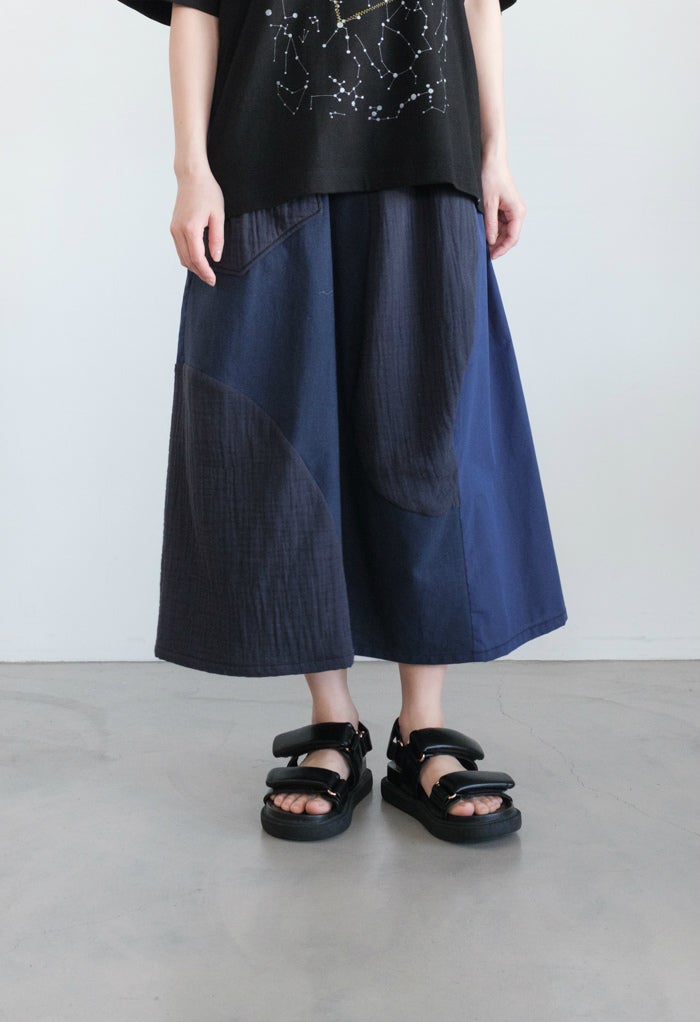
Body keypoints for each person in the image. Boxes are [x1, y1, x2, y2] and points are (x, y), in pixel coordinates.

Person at [116, 0, 568, 844]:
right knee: (283, 446)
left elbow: (477, 4)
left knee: (427, 440)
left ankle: (422, 727)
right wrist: (191, 169)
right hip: (265, 171)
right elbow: (195, 7)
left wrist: (495, 154)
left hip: (429, 167)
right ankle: (334, 722)